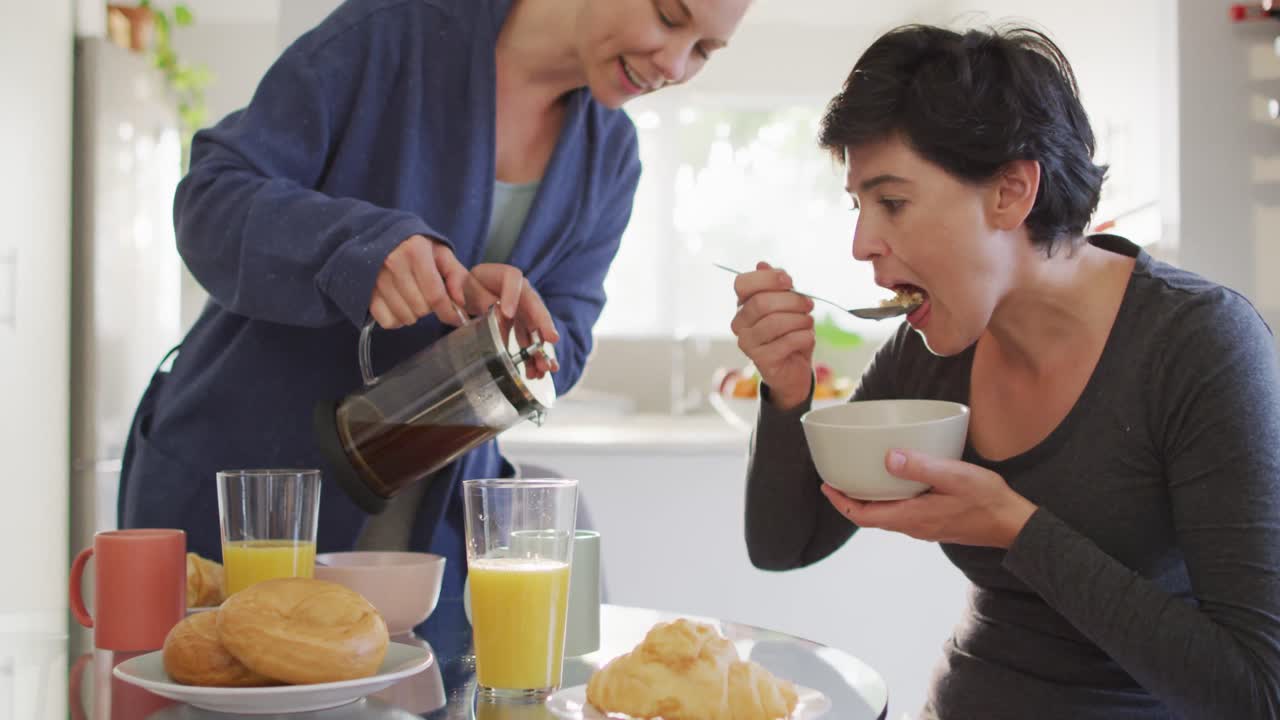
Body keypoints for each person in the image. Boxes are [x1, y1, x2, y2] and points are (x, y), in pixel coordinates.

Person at [119, 0, 750, 636]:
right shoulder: (390, 36)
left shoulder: (611, 156)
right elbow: (210, 198)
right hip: (254, 503)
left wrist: (506, 332)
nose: (673, 63)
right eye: (670, 18)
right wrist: (362, 251)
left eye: (703, 51)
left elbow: (567, 336)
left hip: (427, 536)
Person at [732, 24, 1280, 719]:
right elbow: (786, 544)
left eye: (892, 202)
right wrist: (787, 389)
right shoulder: (931, 345)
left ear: (1011, 192)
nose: (862, 244)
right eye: (859, 206)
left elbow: (1256, 691)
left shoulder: (1199, 344)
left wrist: (1018, 530)